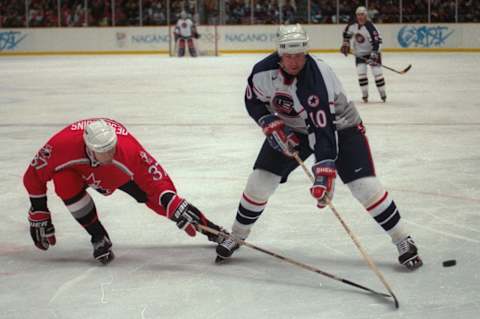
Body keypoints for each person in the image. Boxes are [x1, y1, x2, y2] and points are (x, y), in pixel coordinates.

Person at [215, 24, 423, 270]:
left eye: (300, 55)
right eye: (289, 56)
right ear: (279, 53)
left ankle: (402, 239)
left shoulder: (316, 79)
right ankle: (237, 234)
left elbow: (322, 131)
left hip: (341, 128)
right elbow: (252, 100)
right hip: (293, 128)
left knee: (364, 186)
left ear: (307, 52)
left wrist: (324, 173)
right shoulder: (262, 71)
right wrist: (267, 120)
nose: (294, 62)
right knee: (259, 181)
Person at [23, 118, 226, 264]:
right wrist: (39, 208)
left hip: (116, 174)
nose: (110, 153)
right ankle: (98, 237)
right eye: (103, 151)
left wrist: (170, 199)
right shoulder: (61, 146)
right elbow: (32, 175)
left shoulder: (127, 149)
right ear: (89, 147)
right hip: (80, 171)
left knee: (166, 205)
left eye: (112, 147)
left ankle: (214, 231)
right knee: (64, 182)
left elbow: (155, 176)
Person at [340, 6, 386, 103]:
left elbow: (377, 43)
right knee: (361, 74)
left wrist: (373, 55)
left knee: (377, 74)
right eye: (358, 15)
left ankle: (383, 94)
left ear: (366, 15)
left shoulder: (370, 27)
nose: (360, 17)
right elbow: (346, 34)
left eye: (362, 15)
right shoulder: (352, 25)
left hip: (373, 52)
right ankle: (365, 96)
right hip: (360, 54)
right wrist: (345, 43)